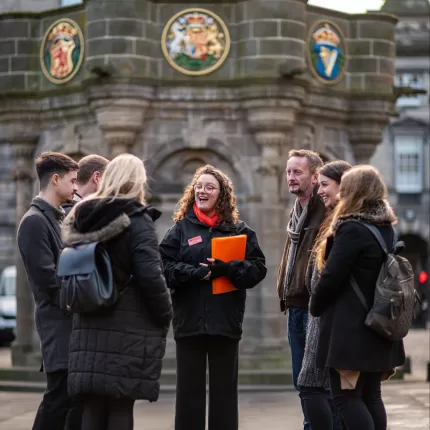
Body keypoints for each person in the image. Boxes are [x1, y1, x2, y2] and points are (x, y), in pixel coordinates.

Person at [61, 153, 172, 430]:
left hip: (87, 324)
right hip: (126, 327)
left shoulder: (82, 216)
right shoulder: (136, 219)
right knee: (121, 405)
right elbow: (150, 274)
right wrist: (165, 312)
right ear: (137, 182)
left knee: (93, 406)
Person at [159, 164, 267, 430]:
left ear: (222, 194)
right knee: (188, 395)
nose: (202, 191)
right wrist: (195, 273)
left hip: (225, 322)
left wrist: (228, 269)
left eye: (210, 187)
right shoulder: (180, 229)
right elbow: (164, 267)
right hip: (189, 323)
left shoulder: (239, 230)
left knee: (224, 395)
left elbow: (258, 269)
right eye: (199, 186)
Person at [310, 165, 406, 430]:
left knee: (346, 398)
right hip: (377, 325)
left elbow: (332, 276)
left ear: (353, 191)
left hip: (351, 332)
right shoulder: (385, 228)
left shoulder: (352, 228)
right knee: (370, 395)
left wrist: (315, 305)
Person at [17, 152, 80, 430]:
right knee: (58, 401)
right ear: (55, 179)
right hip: (58, 324)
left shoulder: (55, 218)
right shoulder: (34, 221)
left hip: (68, 323)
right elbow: (49, 280)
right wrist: (84, 299)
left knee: (66, 401)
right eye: (73, 180)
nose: (77, 187)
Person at [298, 160, 352, 430]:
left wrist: (316, 302)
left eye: (325, 184)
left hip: (327, 317)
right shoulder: (332, 218)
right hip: (320, 314)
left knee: (315, 387)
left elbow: (331, 274)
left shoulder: (343, 223)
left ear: (344, 185)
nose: (320, 191)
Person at [276, 149, 328, 430]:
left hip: (313, 309)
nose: (291, 178)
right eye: (288, 172)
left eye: (298, 172)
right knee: (303, 383)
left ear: (315, 176)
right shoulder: (297, 210)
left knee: (316, 384)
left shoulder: (324, 210)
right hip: (295, 306)